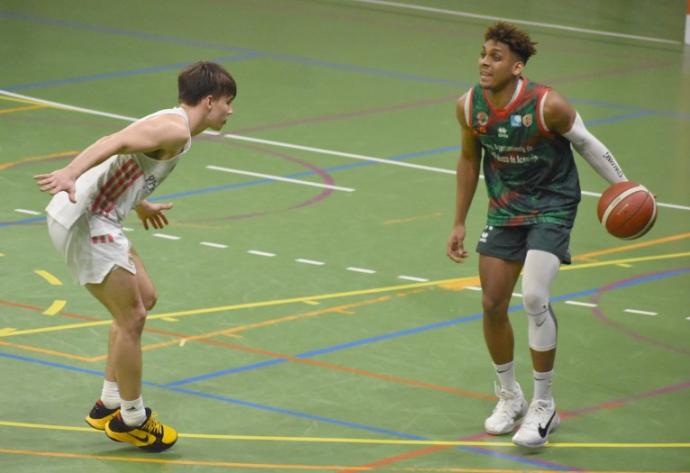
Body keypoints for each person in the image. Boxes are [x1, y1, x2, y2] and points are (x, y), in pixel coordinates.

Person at [35, 61, 237, 452]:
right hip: (86, 220)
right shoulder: (174, 128)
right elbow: (116, 141)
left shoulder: (175, 127)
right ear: (209, 101)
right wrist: (70, 172)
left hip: (103, 217)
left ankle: (109, 401)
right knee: (132, 316)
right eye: (228, 102)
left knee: (145, 298)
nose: (230, 111)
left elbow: (128, 164)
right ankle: (132, 418)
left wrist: (140, 202)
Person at [446, 22, 627, 447]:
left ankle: (545, 405)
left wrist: (624, 185)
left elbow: (586, 143)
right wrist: (458, 221)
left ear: (517, 66)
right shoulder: (469, 106)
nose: (485, 62)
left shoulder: (548, 104)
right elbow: (469, 161)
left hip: (553, 204)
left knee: (533, 296)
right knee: (491, 303)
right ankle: (510, 396)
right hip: (506, 208)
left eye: (495, 56)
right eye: (483, 53)